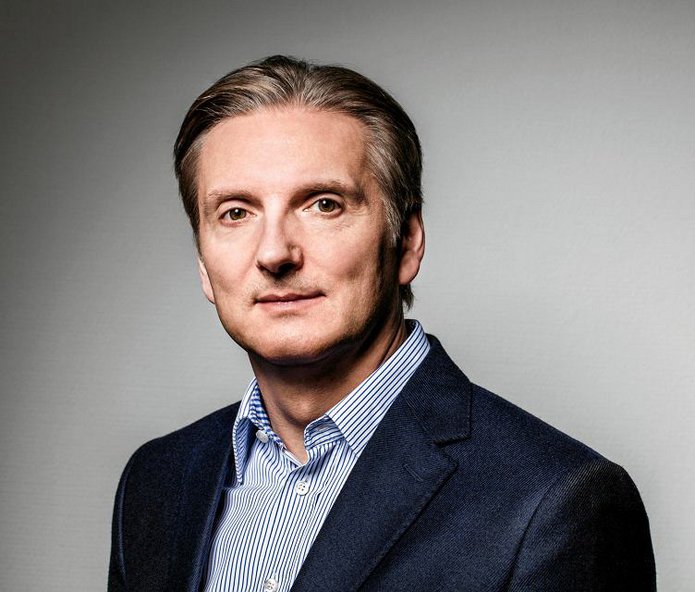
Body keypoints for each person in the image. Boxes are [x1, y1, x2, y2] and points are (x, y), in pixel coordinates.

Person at [108, 55, 656, 592]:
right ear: (204, 265)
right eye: (235, 212)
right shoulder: (155, 481)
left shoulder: (557, 502)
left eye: (323, 204)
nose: (274, 253)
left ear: (407, 243)